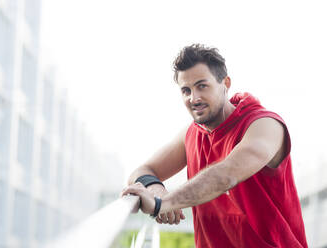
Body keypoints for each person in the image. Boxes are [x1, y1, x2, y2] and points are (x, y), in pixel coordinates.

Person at [121, 44, 308, 247]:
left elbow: (226, 174)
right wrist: (157, 190)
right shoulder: (191, 134)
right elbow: (141, 171)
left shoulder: (264, 125)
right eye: (186, 90)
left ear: (225, 83)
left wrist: (161, 204)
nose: (194, 98)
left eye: (202, 86)